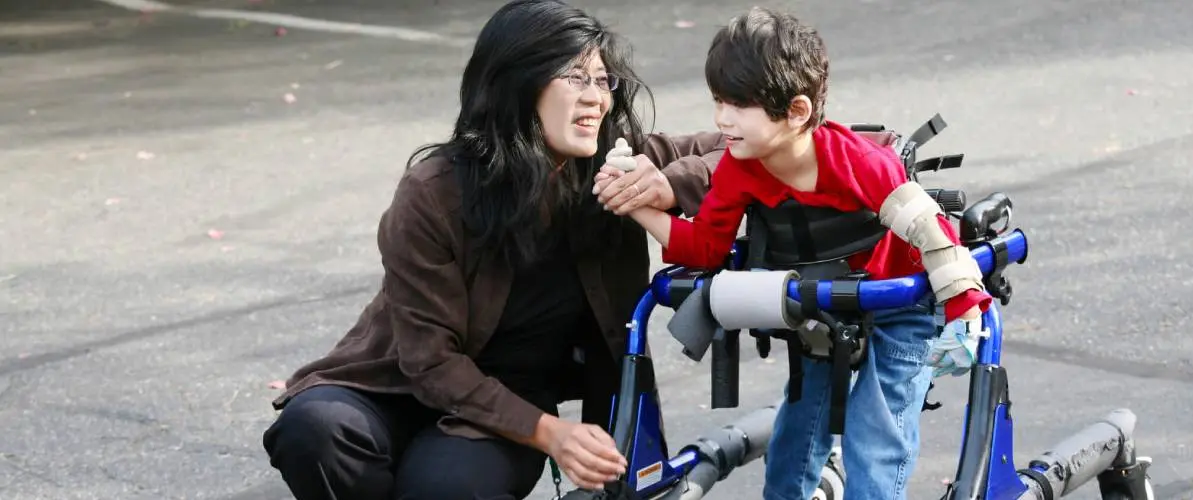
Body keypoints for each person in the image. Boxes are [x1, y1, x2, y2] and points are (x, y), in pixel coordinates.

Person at [259, 1, 724, 499]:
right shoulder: (434, 192)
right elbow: (431, 362)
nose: (596, 99)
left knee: (441, 487)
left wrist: (667, 186)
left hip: (510, 402)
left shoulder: (616, 162)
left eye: (601, 80)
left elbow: (745, 149)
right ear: (518, 83)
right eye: (574, 79)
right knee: (313, 429)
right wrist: (553, 435)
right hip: (398, 383)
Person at [619, 7, 994, 500]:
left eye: (737, 105)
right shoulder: (741, 167)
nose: (720, 120)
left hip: (901, 306)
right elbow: (706, 247)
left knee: (873, 430)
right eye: (718, 101)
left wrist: (965, 311)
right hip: (824, 308)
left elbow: (931, 230)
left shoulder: (856, 161)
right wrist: (636, 206)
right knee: (795, 434)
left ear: (796, 111)